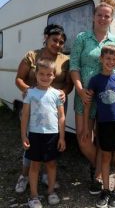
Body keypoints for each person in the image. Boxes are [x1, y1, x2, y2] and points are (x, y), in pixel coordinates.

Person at [70, 0, 115, 195]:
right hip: (85, 96)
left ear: (112, 19)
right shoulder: (82, 38)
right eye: (100, 15)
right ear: (94, 16)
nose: (103, 18)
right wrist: (79, 89)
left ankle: (97, 176)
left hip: (108, 101)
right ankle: (102, 167)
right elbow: (74, 66)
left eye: (107, 16)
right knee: (84, 138)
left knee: (102, 139)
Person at [15, 24, 72, 193]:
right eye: (55, 40)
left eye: (61, 42)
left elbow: (68, 83)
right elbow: (19, 78)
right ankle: (24, 175)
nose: (58, 44)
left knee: (51, 141)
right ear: (46, 37)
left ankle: (47, 175)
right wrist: (27, 90)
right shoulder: (32, 55)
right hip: (33, 103)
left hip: (56, 104)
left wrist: (64, 91)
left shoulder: (65, 60)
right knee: (31, 141)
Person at [83, 45, 115, 208]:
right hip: (103, 124)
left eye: (114, 59)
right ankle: (105, 190)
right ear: (101, 59)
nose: (111, 61)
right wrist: (86, 126)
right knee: (104, 157)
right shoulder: (95, 80)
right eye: (107, 58)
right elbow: (88, 105)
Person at [20, 59, 66, 208]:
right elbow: (25, 116)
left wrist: (62, 137)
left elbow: (61, 117)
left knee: (51, 164)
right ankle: (33, 196)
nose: (45, 77)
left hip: (52, 135)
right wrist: (24, 135)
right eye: (42, 74)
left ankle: (51, 191)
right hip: (34, 134)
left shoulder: (57, 94)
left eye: (49, 74)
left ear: (54, 76)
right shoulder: (30, 93)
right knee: (35, 165)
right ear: (36, 74)